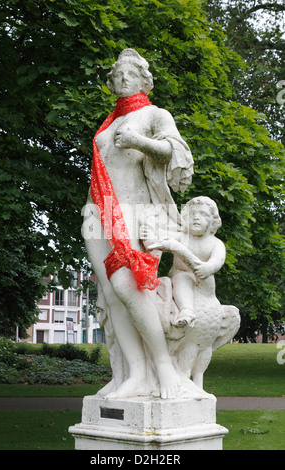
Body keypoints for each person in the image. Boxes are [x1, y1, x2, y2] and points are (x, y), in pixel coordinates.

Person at [82, 49, 197, 399]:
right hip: (96, 213)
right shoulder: (108, 122)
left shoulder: (154, 114)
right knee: (111, 295)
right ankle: (133, 374)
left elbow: (177, 154)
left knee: (128, 287)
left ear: (144, 79)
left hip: (134, 212)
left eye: (130, 73)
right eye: (117, 74)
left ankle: (163, 369)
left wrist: (138, 142)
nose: (122, 78)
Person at [148, 196, 226, 328]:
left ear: (213, 221)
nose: (196, 217)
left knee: (183, 277)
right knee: (180, 278)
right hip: (179, 278)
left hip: (203, 283)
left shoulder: (215, 243)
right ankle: (185, 311)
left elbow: (218, 260)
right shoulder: (181, 237)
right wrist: (149, 232)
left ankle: (187, 311)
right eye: (192, 214)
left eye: (203, 214)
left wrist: (209, 267)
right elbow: (161, 237)